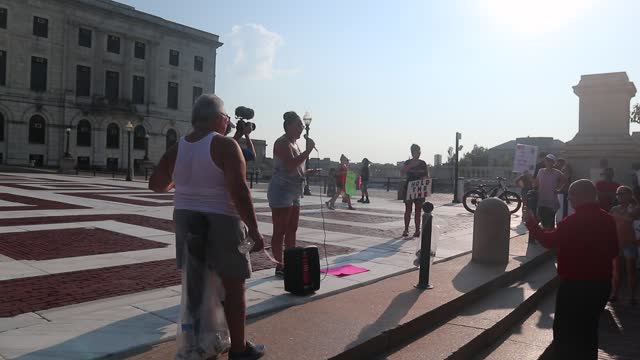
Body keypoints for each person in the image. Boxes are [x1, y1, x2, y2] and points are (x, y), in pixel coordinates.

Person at [149, 94, 265, 359]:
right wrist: (255, 230)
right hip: (221, 218)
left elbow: (156, 184)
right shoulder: (224, 145)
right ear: (217, 118)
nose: (228, 124)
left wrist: (186, 182)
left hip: (186, 219)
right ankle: (238, 349)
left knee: (195, 286)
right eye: (226, 119)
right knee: (235, 287)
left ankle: (197, 345)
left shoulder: (177, 148)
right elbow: (239, 192)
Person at [525, 179, 618, 360]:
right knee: (589, 330)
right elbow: (614, 251)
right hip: (601, 285)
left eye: (571, 196)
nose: (569, 200)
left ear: (579, 196)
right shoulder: (608, 219)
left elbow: (549, 241)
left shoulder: (573, 221)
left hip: (576, 285)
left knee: (565, 331)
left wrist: (531, 224)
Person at [267, 111, 318, 277]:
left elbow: (296, 167)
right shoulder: (282, 143)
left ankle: (290, 261)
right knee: (280, 229)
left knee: (292, 228)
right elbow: (289, 165)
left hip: (294, 190)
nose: (301, 128)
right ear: (288, 126)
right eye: (298, 125)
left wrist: (307, 171)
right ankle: (279, 264)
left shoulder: (295, 144)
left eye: (302, 126)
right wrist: (308, 151)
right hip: (281, 190)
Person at [609, 185, 639, 305]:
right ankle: (615, 293)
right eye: (617, 194)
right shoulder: (614, 208)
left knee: (630, 270)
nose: (619, 196)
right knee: (616, 270)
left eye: (621, 194)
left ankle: (633, 295)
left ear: (629, 195)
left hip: (629, 242)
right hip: (617, 243)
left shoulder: (634, 208)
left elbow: (629, 218)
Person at [400, 144, 429, 238]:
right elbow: (402, 172)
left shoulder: (423, 163)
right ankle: (406, 229)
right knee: (408, 209)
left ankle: (417, 230)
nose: (419, 153)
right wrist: (410, 165)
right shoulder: (408, 162)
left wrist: (425, 180)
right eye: (417, 151)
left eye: (419, 151)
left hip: (419, 189)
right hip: (410, 188)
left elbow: (426, 175)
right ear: (412, 152)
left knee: (418, 210)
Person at [533, 154, 567, 229]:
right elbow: (535, 183)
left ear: (553, 162)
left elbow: (564, 180)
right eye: (547, 160)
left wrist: (559, 189)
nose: (548, 162)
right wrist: (528, 176)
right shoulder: (540, 171)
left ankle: (551, 237)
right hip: (541, 200)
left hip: (552, 201)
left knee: (550, 222)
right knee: (543, 221)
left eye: (550, 161)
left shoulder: (557, 172)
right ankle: (544, 238)